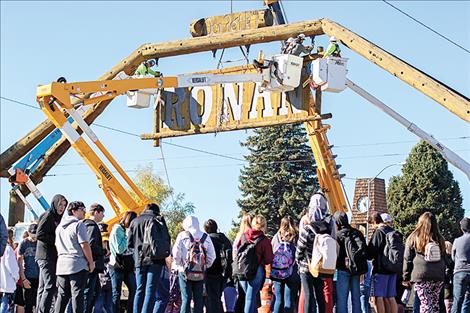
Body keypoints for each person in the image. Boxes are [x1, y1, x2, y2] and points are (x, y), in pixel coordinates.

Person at [128, 203, 171, 313]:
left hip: (139, 260)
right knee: (150, 290)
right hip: (155, 260)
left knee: (139, 289)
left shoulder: (135, 221)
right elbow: (166, 240)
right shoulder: (158, 220)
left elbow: (130, 244)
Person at [54, 201, 95, 313]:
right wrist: (91, 262)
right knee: (77, 295)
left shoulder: (59, 228)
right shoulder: (79, 225)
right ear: (74, 211)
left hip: (62, 265)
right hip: (77, 264)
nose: (84, 211)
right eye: (82, 209)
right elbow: (84, 245)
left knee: (62, 296)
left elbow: (57, 245)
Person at [403, 212, 446, 313]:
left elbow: (407, 258)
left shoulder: (414, 237)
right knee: (436, 304)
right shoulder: (440, 238)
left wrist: (406, 277)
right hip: (438, 275)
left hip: (421, 275)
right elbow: (444, 257)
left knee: (421, 302)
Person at [173, 216, 216, 313]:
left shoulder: (182, 235)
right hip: (200, 272)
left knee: (186, 299)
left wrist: (179, 264)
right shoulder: (205, 237)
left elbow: (175, 253)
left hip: (184, 272)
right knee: (199, 299)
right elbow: (212, 256)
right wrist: (204, 266)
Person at [233, 215, 273, 313]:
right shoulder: (264, 240)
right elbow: (269, 259)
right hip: (255, 271)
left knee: (249, 297)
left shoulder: (243, 236)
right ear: (264, 226)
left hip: (241, 269)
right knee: (250, 298)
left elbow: (237, 251)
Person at [36, 194, 67, 313]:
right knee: (50, 285)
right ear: (55, 203)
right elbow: (40, 234)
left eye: (64, 205)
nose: (62, 208)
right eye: (60, 204)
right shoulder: (48, 215)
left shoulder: (58, 218)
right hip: (45, 255)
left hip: (51, 256)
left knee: (44, 287)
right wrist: (56, 239)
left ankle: (41, 309)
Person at [334, 211, 368, 313]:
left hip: (342, 268)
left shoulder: (337, 235)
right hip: (356, 269)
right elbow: (364, 250)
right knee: (356, 297)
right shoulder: (357, 233)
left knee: (342, 298)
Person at [368, 212, 401, 313]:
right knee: (391, 297)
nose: (372, 227)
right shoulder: (393, 232)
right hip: (393, 268)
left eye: (371, 225)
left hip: (380, 269)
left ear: (374, 222)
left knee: (379, 297)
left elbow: (371, 252)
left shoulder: (378, 232)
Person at [109, 211, 137, 313]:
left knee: (134, 289)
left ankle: (130, 310)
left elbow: (133, 250)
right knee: (116, 292)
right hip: (117, 265)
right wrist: (128, 235)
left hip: (128, 265)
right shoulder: (117, 229)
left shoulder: (129, 231)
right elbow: (119, 249)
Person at [270, 216, 300, 313]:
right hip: (292, 272)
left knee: (278, 300)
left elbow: (271, 253)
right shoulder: (296, 236)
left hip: (277, 272)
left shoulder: (276, 237)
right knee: (289, 300)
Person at [203, 219, 232, 313]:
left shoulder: (207, 239)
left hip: (211, 272)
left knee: (212, 299)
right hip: (224, 272)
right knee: (217, 297)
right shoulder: (225, 239)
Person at [82, 203, 106, 313]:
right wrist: (103, 251)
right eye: (102, 213)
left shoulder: (84, 224)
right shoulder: (92, 226)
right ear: (97, 212)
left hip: (90, 264)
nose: (103, 216)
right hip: (92, 265)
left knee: (96, 291)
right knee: (89, 292)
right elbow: (91, 245)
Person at [17, 224, 39, 313]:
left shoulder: (40, 242)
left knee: (38, 304)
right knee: (28, 305)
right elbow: (19, 261)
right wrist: (24, 279)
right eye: (32, 234)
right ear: (29, 233)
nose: (34, 237)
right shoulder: (24, 243)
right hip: (28, 277)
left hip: (40, 277)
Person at [233, 214, 252, 313]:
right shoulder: (250, 236)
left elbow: (234, 254)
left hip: (239, 268)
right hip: (249, 268)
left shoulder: (238, 236)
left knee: (242, 295)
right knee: (249, 296)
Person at [451, 217, 470, 313]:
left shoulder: (457, 241)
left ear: (461, 228)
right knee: (468, 300)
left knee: (457, 300)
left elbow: (453, 257)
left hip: (460, 271)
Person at [93, 223, 113, 313]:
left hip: (104, 276)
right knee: (104, 302)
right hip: (105, 275)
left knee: (103, 301)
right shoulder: (107, 240)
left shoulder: (97, 241)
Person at [0, 242, 19, 313]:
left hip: (4, 283)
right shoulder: (7, 248)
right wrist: (16, 277)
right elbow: (12, 266)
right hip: (6, 283)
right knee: (5, 305)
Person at [444, 241, 454, 313]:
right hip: (452, 280)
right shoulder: (453, 258)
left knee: (446, 297)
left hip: (444, 281)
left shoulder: (443, 258)